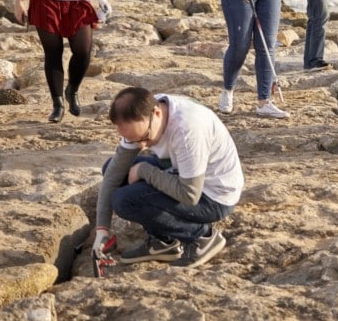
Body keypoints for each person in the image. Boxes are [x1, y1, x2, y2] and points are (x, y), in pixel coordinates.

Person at [92, 87, 244, 268]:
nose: (141, 145)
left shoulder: (187, 129)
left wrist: (145, 171)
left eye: (145, 138)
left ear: (156, 113)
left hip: (213, 195)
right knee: (112, 168)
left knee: (125, 200)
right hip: (180, 174)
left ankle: (201, 237)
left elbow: (190, 194)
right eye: (133, 140)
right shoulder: (140, 117)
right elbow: (113, 176)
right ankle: (164, 242)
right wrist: (102, 230)